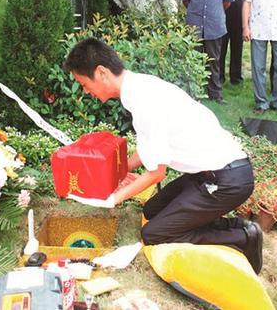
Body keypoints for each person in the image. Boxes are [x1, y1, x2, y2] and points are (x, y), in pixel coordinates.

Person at [63, 37, 263, 274]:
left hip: (226, 180)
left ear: (102, 72)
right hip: (204, 174)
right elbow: (149, 149)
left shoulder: (143, 99)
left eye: (85, 84)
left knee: (154, 233)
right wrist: (117, 173)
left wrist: (113, 199)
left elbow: (157, 173)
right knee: (152, 211)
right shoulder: (137, 88)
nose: (86, 91)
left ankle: (242, 235)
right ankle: (228, 224)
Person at [183, 0, 234, 104]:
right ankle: (195, 94)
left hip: (214, 26)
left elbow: (227, 1)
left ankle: (215, 94)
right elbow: (186, 0)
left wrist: (214, 11)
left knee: (214, 61)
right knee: (193, 60)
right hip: (194, 26)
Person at [216, 0, 253, 85]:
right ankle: (219, 76)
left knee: (237, 43)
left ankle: (236, 77)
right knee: (222, 41)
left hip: (240, 4)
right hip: (223, 3)